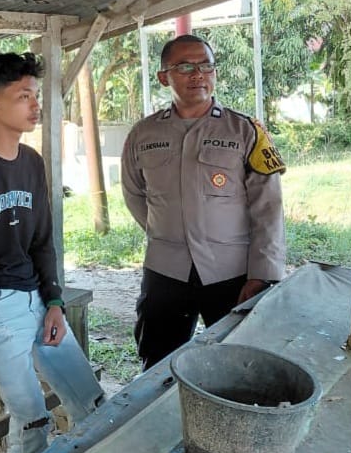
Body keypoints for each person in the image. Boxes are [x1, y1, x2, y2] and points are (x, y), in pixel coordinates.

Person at [0, 52, 104, 453]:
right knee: (32, 416)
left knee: (93, 402)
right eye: (24, 96)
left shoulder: (32, 164)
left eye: (36, 96)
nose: (35, 106)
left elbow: (43, 241)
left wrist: (54, 302)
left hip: (35, 296)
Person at [121, 33, 286, 370]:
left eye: (205, 65)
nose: (198, 74)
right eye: (185, 66)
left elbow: (268, 209)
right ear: (164, 77)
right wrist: (168, 233)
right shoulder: (144, 134)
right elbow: (135, 195)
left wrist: (262, 274)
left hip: (233, 273)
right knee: (157, 362)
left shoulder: (244, 131)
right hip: (166, 272)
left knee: (237, 365)